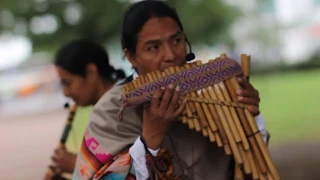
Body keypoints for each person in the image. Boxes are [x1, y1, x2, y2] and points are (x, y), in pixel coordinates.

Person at [72, 1, 269, 180]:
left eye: (176, 41)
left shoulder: (215, 91)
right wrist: (150, 141)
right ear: (131, 57)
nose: (171, 55)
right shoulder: (110, 112)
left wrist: (250, 119)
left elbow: (252, 161)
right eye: (154, 47)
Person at [46, 39, 126, 180]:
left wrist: (76, 165)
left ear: (91, 71)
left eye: (68, 83)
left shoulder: (123, 104)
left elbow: (135, 168)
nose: (65, 93)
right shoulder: (107, 105)